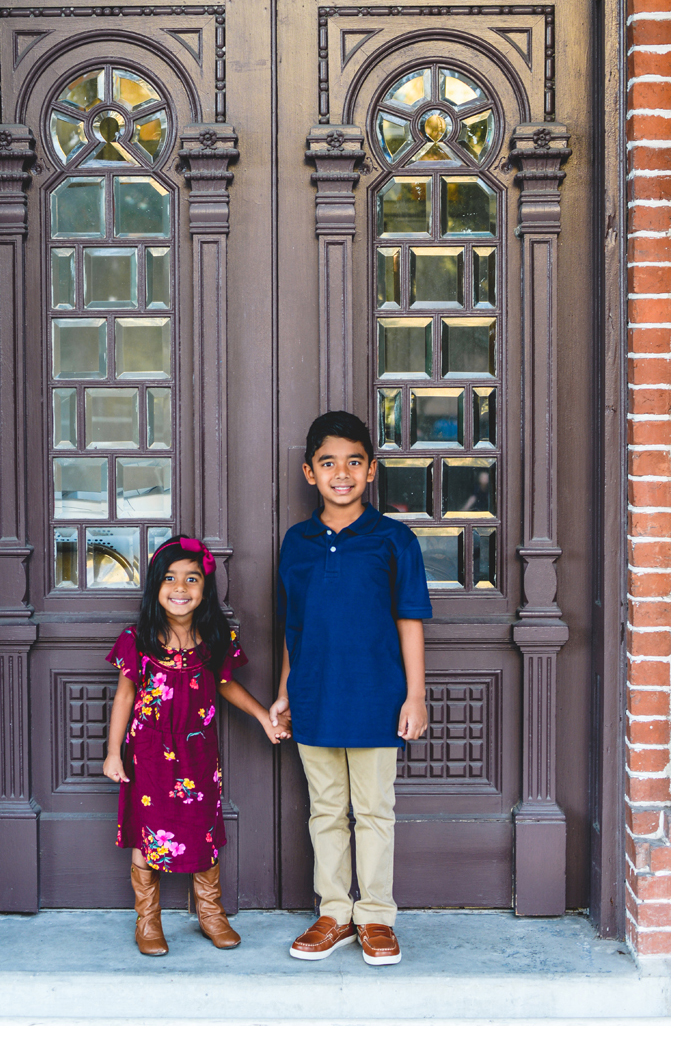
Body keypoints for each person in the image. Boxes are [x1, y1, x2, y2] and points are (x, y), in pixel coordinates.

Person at [270, 410, 432, 966]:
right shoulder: (297, 542)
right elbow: (293, 626)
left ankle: (377, 917)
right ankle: (335, 912)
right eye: (328, 463)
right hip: (314, 695)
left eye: (354, 462)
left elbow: (410, 619)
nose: (342, 473)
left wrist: (416, 694)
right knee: (325, 809)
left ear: (371, 470)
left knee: (374, 811)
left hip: (376, 697)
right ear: (309, 472)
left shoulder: (394, 539)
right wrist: (286, 691)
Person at [103, 536, 288, 957]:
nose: (180, 588)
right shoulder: (138, 639)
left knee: (201, 828)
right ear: (155, 586)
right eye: (170, 578)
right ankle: (147, 920)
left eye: (192, 579)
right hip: (147, 752)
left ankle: (211, 913)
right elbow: (125, 697)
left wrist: (263, 717)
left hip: (198, 753)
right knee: (147, 832)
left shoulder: (215, 639)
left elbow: (226, 686)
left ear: (205, 590)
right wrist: (114, 752)